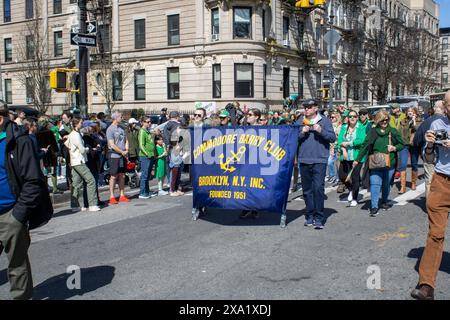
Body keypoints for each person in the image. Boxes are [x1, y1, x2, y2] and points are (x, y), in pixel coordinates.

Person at [0, 102, 53, 300]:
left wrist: (18, 215)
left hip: (10, 214)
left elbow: (33, 181)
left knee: (16, 265)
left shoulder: (18, 141)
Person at [410, 90, 450, 301]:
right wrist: (431, 144)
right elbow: (429, 156)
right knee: (435, 233)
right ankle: (426, 285)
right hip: (441, 181)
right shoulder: (437, 124)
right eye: (448, 105)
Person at [353, 111, 404, 216]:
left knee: (386, 184)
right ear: (378, 121)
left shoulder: (393, 131)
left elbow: (402, 144)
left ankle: (384, 201)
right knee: (375, 184)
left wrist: (394, 147)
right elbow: (365, 146)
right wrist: (357, 159)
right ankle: (374, 206)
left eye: (386, 119)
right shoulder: (373, 132)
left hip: (390, 162)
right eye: (382, 120)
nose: (385, 122)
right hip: (375, 162)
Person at [296, 99, 336, 229]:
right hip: (304, 159)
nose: (306, 109)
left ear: (315, 108)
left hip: (319, 159)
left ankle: (319, 217)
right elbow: (293, 137)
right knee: (307, 190)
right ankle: (309, 215)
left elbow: (332, 138)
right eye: (305, 107)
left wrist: (321, 131)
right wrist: (303, 132)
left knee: (318, 188)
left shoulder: (324, 121)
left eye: (309, 107)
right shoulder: (300, 121)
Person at [65, 118, 101, 213]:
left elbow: (67, 144)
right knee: (91, 181)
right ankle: (92, 204)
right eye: (81, 122)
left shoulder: (72, 134)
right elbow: (81, 149)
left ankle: (75, 205)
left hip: (74, 161)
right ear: (77, 124)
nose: (82, 124)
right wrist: (90, 149)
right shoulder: (76, 135)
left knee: (76, 184)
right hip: (79, 161)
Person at [412, 101, 445, 197]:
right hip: (443, 155)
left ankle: (429, 204)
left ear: (434, 109)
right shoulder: (445, 122)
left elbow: (417, 140)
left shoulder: (426, 122)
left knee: (429, 180)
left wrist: (420, 151)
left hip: (428, 154)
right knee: (443, 181)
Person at [336, 110, 367, 207]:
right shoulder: (344, 127)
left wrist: (349, 143)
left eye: (354, 116)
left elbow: (361, 140)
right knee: (342, 176)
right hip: (345, 156)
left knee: (355, 177)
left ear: (357, 118)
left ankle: (354, 198)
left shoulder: (361, 127)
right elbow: (340, 139)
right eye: (350, 116)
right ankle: (350, 189)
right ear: (348, 118)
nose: (352, 118)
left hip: (357, 156)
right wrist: (343, 149)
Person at [240, 108, 262, 219]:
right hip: (245, 160)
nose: (248, 116)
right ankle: (246, 207)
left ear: (257, 117)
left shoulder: (262, 128)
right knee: (245, 185)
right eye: (247, 115)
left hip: (257, 161)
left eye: (250, 115)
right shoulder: (245, 128)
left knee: (255, 185)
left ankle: (255, 209)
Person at [106, 111, 130, 204]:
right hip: (114, 155)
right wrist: (121, 152)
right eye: (120, 116)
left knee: (122, 175)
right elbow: (112, 144)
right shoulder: (110, 129)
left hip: (123, 155)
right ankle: (112, 196)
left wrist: (126, 149)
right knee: (113, 176)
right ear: (115, 118)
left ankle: (122, 194)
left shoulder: (122, 128)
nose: (122, 118)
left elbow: (126, 139)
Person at [397, 107, 421, 193]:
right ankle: (402, 187)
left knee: (414, 164)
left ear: (415, 113)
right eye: (409, 111)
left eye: (412, 111)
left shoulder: (419, 120)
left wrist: (414, 121)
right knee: (403, 164)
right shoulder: (403, 121)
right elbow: (399, 132)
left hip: (414, 145)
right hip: (404, 145)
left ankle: (413, 183)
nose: (410, 112)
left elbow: (418, 130)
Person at [138, 116, 157, 199]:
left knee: (148, 175)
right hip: (145, 156)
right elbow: (141, 145)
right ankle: (142, 193)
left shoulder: (147, 131)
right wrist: (147, 153)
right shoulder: (142, 131)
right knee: (145, 175)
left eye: (150, 122)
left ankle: (147, 191)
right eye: (147, 122)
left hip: (151, 155)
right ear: (142, 122)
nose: (149, 123)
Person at [327, 112, 342, 184]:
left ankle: (338, 177)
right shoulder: (330, 126)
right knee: (330, 162)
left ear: (337, 118)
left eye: (333, 117)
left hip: (337, 147)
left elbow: (340, 137)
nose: (331, 118)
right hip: (331, 147)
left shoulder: (340, 126)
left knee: (337, 164)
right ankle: (332, 175)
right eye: (330, 117)